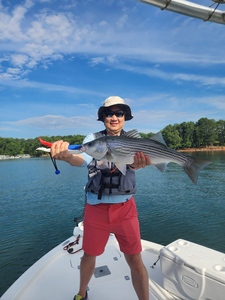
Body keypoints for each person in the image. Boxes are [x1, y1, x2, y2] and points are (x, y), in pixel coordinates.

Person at [51, 96, 151, 300]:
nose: (114, 117)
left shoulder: (134, 141)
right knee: (89, 254)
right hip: (96, 208)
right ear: (102, 117)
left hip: (126, 208)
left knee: (135, 259)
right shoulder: (94, 139)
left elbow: (132, 164)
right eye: (109, 113)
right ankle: (81, 293)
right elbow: (80, 157)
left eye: (119, 113)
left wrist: (138, 164)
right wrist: (67, 156)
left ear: (125, 117)